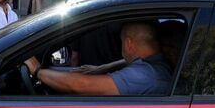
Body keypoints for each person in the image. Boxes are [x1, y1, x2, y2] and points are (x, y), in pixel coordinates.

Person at [25, 21, 172, 95]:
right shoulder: (158, 64)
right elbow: (133, 63)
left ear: (128, 43)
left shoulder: (144, 75)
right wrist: (103, 68)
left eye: (121, 42)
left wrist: (37, 70)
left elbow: (81, 85)